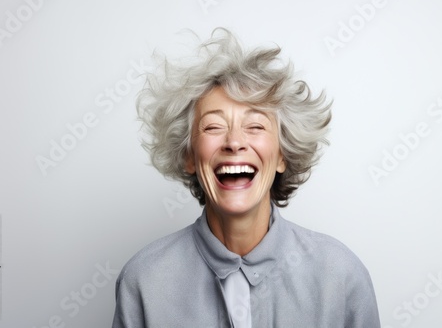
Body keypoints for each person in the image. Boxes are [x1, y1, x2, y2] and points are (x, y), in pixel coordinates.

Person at [112, 28, 381, 327]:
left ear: (282, 155)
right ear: (189, 155)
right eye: (213, 126)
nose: (234, 142)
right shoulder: (144, 281)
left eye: (255, 126)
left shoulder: (340, 275)